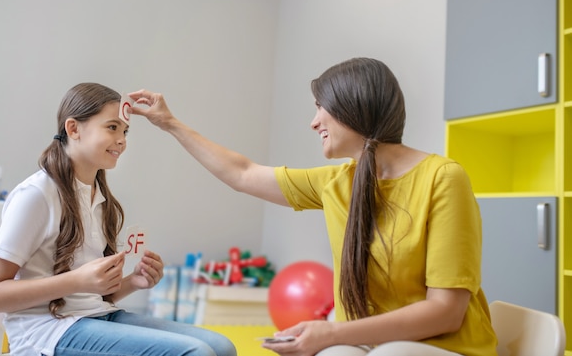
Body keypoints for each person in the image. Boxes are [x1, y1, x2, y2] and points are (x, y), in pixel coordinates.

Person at [128, 58, 498, 356]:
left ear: (353, 107)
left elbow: (446, 312)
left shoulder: (443, 178)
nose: (313, 122)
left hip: (446, 347)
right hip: (373, 343)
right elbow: (242, 174)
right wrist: (170, 124)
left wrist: (333, 332)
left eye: (322, 109)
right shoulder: (337, 183)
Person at [0, 83, 237, 356]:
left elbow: (87, 296)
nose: (122, 139)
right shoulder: (36, 195)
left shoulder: (100, 198)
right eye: (112, 127)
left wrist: (133, 282)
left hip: (96, 316)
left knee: (222, 347)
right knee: (198, 353)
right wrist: (77, 281)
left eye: (125, 131)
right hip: (46, 331)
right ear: (73, 129)